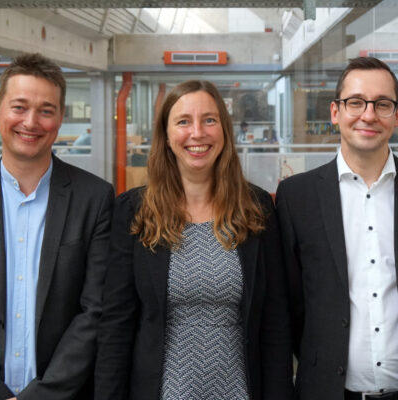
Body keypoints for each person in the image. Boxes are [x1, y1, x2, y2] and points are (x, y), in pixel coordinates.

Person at [95, 80, 293, 400]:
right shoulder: (135, 211)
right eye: (183, 121)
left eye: (209, 120)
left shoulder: (256, 208)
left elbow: (275, 322)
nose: (197, 133)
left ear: (225, 131)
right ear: (167, 136)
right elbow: (116, 324)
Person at [276, 56, 398, 400]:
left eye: (383, 104)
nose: (369, 115)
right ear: (335, 112)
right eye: (356, 102)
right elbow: (288, 305)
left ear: (396, 115)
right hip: (327, 391)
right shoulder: (296, 197)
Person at [0, 53, 114, 400]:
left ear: (60, 118)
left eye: (46, 110)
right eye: (19, 107)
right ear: (0, 109)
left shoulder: (95, 198)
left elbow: (94, 311)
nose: (31, 122)